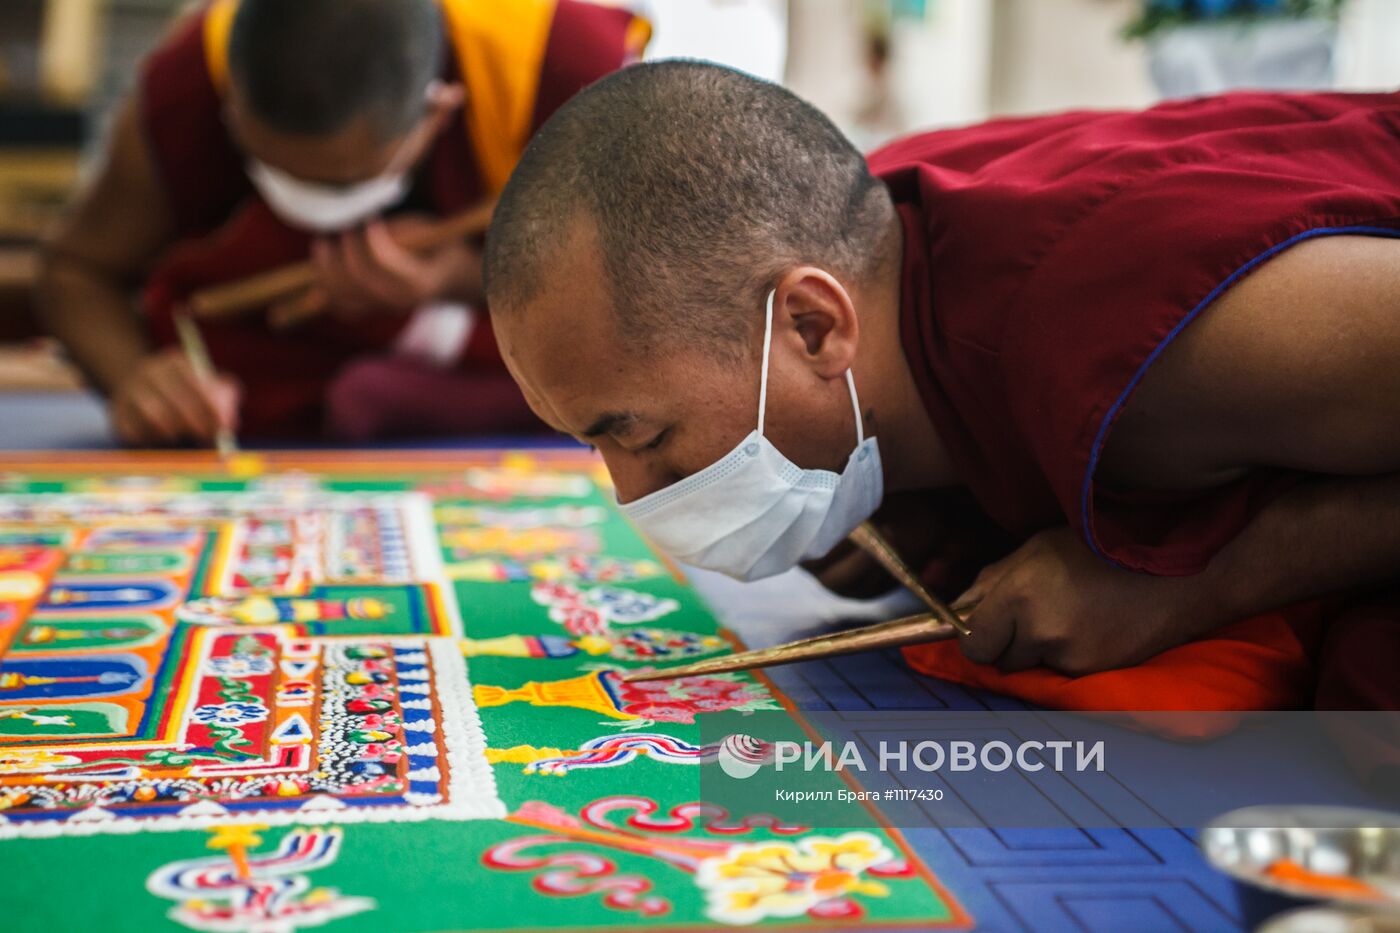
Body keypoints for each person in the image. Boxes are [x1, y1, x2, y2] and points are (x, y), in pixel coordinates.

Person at [481, 61, 1400, 709]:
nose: (629, 491)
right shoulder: (865, 228)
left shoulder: (1167, 343)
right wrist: (924, 496)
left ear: (812, 325)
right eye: (589, 443)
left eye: (639, 435)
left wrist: (1193, 585)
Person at [38, 0, 649, 445]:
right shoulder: (192, 73)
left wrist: (469, 278)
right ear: (232, 103)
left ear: (438, 112)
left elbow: (639, 306)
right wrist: (133, 377)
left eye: (339, 183)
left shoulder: (561, 64)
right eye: (268, 166)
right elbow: (74, 268)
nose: (302, 203)